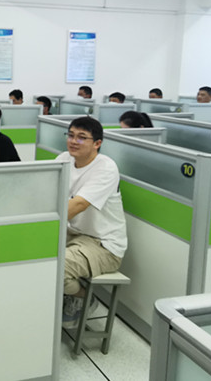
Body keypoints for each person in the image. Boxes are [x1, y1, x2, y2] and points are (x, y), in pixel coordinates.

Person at [56, 117, 127, 328]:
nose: (73, 141)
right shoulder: (64, 159)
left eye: (81, 137)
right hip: (73, 233)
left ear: (97, 143)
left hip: (103, 245)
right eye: (70, 135)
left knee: (57, 266)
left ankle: (83, 297)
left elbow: (79, 204)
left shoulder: (106, 168)